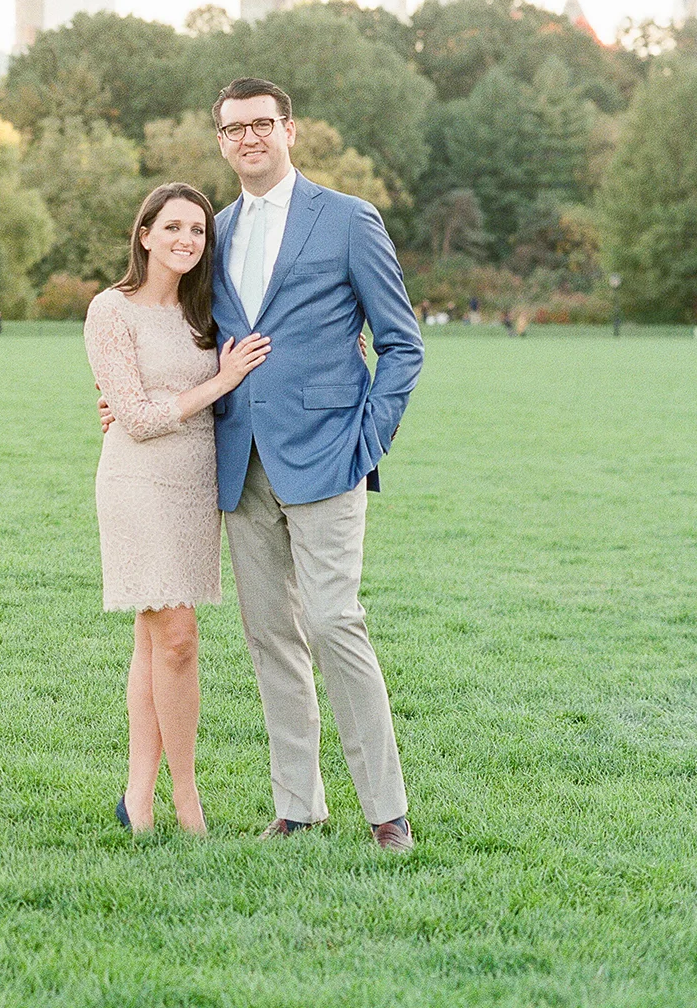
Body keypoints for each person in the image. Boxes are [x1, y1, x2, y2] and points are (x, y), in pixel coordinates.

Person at [108, 78, 423, 851]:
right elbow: (177, 337)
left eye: (261, 124)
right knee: (268, 636)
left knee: (332, 620)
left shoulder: (348, 219)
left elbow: (402, 343)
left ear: (289, 128)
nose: (248, 137)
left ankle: (386, 811)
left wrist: (368, 437)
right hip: (237, 460)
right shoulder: (210, 234)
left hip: (328, 458)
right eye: (233, 128)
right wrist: (120, 396)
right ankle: (298, 807)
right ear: (220, 141)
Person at [88, 182, 270, 837]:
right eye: (172, 228)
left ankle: (138, 799)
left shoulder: (207, 314)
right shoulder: (111, 309)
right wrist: (220, 381)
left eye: (197, 230)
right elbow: (134, 418)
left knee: (156, 640)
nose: (186, 240)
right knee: (179, 638)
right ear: (144, 235)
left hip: (196, 486)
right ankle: (186, 801)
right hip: (138, 483)